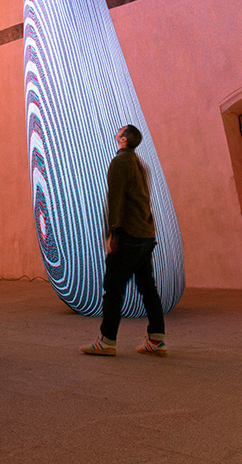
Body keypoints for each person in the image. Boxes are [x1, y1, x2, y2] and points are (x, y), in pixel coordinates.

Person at [80, 124, 168, 358]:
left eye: (120, 131)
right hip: (145, 235)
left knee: (113, 288)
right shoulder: (140, 163)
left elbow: (115, 198)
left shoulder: (120, 162)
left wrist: (113, 233)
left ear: (124, 139)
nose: (116, 132)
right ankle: (156, 341)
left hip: (128, 236)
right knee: (148, 288)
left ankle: (106, 341)